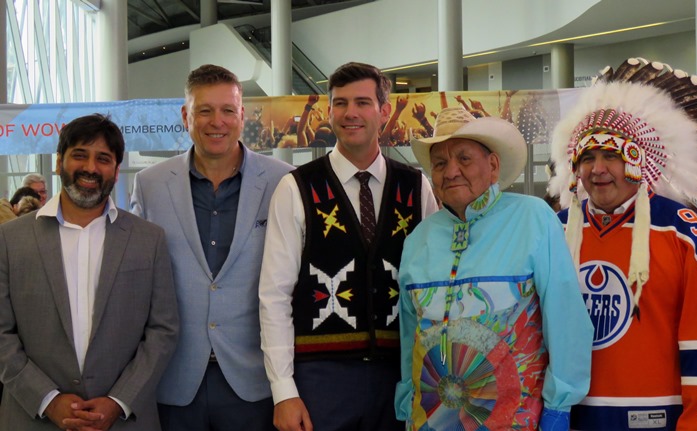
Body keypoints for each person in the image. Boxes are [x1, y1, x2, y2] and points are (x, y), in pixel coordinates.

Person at [548, 58, 697, 430]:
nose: (598, 169)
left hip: (655, 419)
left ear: (640, 161)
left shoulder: (684, 232)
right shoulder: (554, 231)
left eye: (613, 155)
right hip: (566, 418)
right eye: (587, 157)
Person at [258, 61, 439, 431]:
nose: (350, 113)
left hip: (401, 374)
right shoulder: (296, 188)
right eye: (340, 103)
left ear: (384, 112)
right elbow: (274, 295)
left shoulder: (416, 187)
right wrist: (283, 390)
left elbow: (435, 286)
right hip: (320, 379)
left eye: (361, 102)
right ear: (329, 111)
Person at [395, 107, 593, 431]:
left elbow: (566, 320)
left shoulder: (533, 219)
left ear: (493, 165)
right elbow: (409, 335)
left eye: (464, 159)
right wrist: (406, 406)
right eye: (441, 163)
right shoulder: (419, 239)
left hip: (516, 421)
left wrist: (560, 408)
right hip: (430, 422)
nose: (452, 171)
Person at [130, 64, 294, 431]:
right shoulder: (150, 184)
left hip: (254, 380)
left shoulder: (283, 182)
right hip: (173, 380)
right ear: (186, 116)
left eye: (227, 110)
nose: (215, 121)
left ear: (242, 116)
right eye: (204, 110)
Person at [0, 113, 179, 430]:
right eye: (79, 155)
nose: (91, 168)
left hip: (124, 420)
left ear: (116, 169)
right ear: (58, 162)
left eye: (103, 158)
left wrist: (119, 400)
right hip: (33, 418)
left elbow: (163, 330)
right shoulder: (10, 240)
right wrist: (47, 400)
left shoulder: (148, 239)